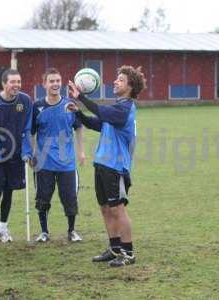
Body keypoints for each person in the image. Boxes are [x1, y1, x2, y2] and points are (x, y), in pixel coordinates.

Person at [67, 65, 146, 267]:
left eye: (120, 79)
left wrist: (81, 97)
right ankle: (115, 249)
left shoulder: (125, 108)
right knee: (105, 209)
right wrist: (78, 113)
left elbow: (101, 111)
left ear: (130, 86)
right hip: (102, 164)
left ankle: (128, 253)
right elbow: (98, 123)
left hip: (116, 167)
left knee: (118, 209)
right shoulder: (117, 106)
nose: (115, 81)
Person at [31, 68, 86, 243]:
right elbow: (31, 132)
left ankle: (71, 231)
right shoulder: (37, 107)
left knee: (69, 198)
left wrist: (81, 151)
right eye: (51, 81)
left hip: (66, 162)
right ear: (44, 84)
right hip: (44, 162)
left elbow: (78, 128)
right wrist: (33, 153)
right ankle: (44, 231)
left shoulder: (69, 104)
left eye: (57, 81)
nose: (55, 84)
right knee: (43, 198)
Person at [0, 69, 33, 243]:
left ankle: (3, 227)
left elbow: (27, 128)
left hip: (16, 154)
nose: (16, 85)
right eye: (13, 82)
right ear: (4, 84)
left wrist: (27, 151)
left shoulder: (26, 100)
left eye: (19, 82)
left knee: (9, 190)